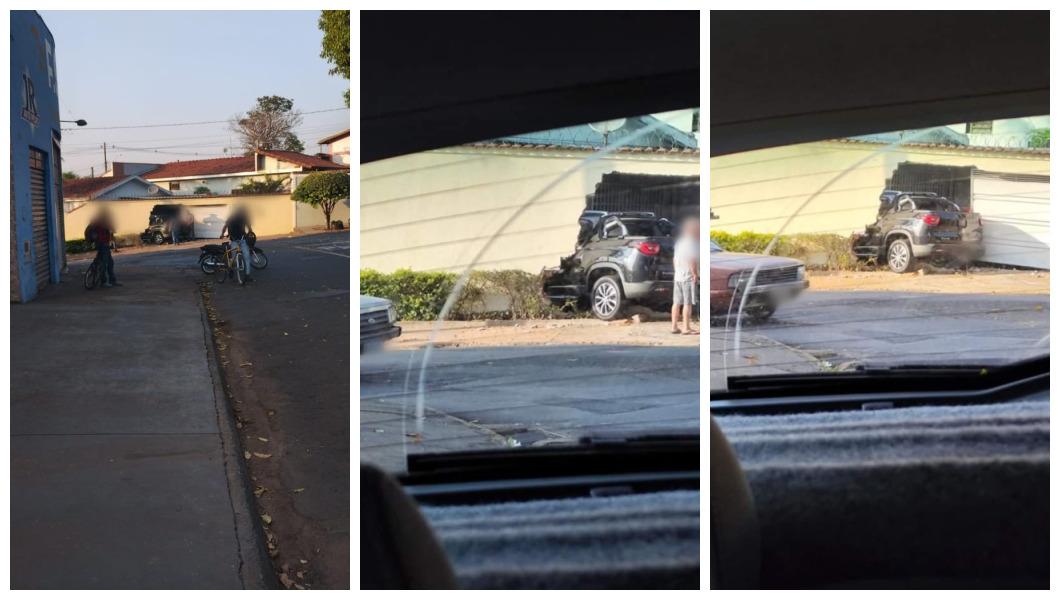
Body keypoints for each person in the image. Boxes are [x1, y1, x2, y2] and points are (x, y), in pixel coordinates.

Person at [671, 216, 699, 335]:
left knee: (676, 302)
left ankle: (674, 327)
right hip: (688, 276)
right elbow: (691, 259)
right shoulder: (691, 243)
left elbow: (674, 259)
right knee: (687, 303)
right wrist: (695, 274)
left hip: (678, 276)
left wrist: (676, 271)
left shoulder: (680, 242)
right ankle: (686, 328)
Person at [220, 207, 255, 281]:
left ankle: (246, 275)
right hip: (236, 240)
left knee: (244, 257)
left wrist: (222, 234)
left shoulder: (240, 217)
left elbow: (249, 227)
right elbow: (249, 227)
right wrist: (250, 232)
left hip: (240, 239)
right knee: (242, 258)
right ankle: (232, 269)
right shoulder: (234, 217)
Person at [90, 209, 121, 288]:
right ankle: (104, 282)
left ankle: (111, 280)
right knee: (106, 263)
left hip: (102, 244)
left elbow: (111, 232)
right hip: (102, 244)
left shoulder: (97, 221)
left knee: (108, 262)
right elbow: (112, 230)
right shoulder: (102, 222)